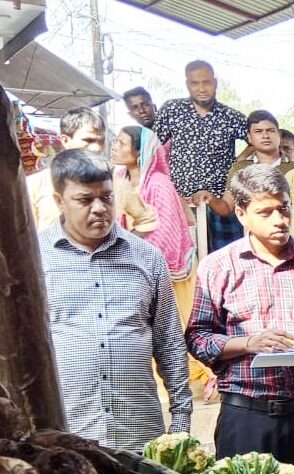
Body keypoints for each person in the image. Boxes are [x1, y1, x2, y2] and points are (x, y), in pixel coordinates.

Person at [187, 165, 294, 474]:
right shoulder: (219, 267)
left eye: (284, 208)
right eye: (266, 212)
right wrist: (249, 343)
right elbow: (197, 338)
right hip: (247, 414)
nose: (279, 219)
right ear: (242, 214)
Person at [37, 150, 192, 452]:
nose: (99, 209)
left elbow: (169, 341)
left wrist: (182, 420)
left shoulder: (147, 257)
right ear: (59, 202)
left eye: (107, 197)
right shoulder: (34, 260)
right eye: (85, 200)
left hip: (139, 435)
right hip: (66, 437)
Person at [110, 125, 208, 385]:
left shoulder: (159, 183)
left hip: (165, 269)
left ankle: (189, 383)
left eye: (121, 143)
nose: (115, 147)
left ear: (139, 151)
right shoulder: (118, 177)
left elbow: (165, 232)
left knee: (174, 328)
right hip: (130, 263)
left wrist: (143, 261)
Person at [153, 60, 248, 253]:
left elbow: (256, 138)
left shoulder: (230, 116)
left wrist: (240, 159)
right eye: (195, 83)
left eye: (206, 82)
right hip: (182, 205)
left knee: (228, 258)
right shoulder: (172, 110)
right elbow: (152, 148)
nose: (201, 88)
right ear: (187, 84)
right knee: (189, 261)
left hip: (221, 206)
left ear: (215, 83)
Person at [27, 108, 158, 232]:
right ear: (65, 140)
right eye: (88, 140)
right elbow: (25, 237)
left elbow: (146, 221)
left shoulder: (116, 183)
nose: (96, 148)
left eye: (100, 141)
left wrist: (122, 250)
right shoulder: (35, 185)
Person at [226, 110, 294, 190]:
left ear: (279, 135)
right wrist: (211, 199)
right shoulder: (239, 168)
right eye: (258, 131)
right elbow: (228, 202)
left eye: (270, 130)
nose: (265, 136)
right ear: (249, 137)